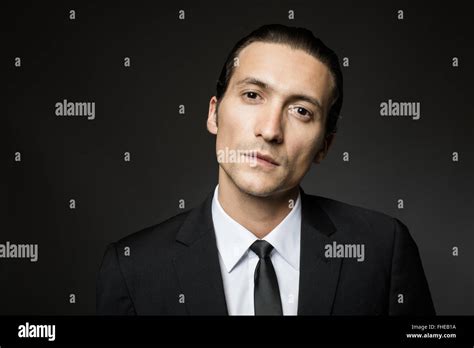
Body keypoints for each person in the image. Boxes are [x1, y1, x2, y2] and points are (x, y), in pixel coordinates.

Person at [96, 24, 435, 316]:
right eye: (253, 94)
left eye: (301, 110)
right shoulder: (133, 268)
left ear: (324, 146)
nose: (271, 130)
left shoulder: (382, 250)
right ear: (214, 114)